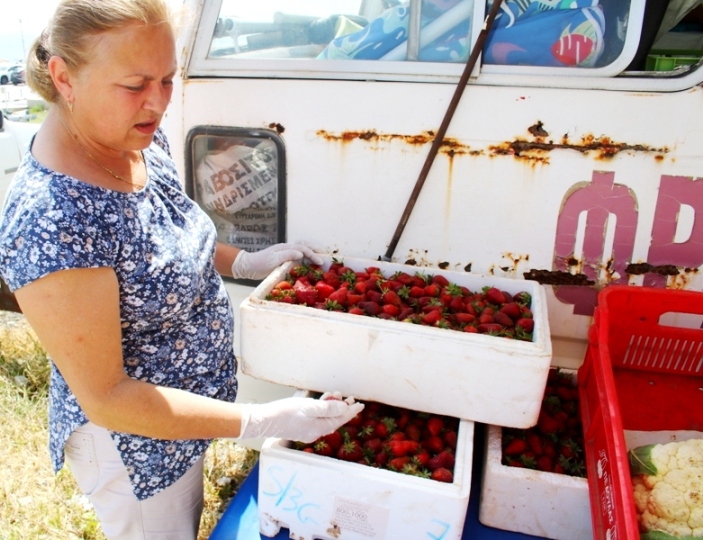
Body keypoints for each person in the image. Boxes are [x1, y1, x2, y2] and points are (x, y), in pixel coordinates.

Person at [0, 1, 364, 538]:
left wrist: (241, 260)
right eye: (135, 84)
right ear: (64, 78)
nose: (158, 103)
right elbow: (109, 397)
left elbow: (169, 236)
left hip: (183, 418)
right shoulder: (53, 216)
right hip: (136, 449)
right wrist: (260, 421)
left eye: (169, 80)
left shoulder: (135, 137)